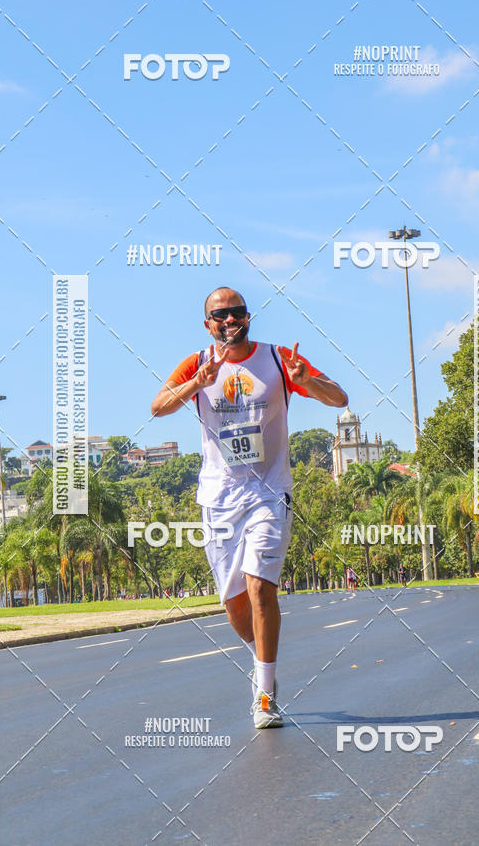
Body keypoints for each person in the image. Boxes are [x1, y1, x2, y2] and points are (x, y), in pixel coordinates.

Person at [151, 287, 347, 728]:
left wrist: (308, 380)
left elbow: (339, 399)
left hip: (269, 492)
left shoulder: (279, 360)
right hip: (219, 498)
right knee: (235, 602)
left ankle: (265, 693)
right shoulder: (197, 363)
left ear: (248, 317)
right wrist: (195, 384)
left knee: (261, 588)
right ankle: (261, 661)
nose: (228, 320)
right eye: (219, 315)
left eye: (236, 312)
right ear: (208, 324)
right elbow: (157, 406)